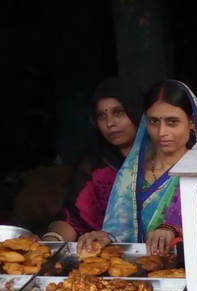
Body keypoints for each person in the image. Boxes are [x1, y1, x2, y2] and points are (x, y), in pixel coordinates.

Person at [78, 80, 197, 256]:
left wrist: (172, 228)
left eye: (172, 122)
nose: (162, 132)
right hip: (138, 274)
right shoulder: (131, 173)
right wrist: (107, 237)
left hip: (192, 269)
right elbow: (120, 230)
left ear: (192, 122)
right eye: (154, 121)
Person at [43, 77, 144, 243]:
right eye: (101, 115)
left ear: (137, 111)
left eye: (118, 112)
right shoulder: (94, 166)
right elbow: (74, 218)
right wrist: (50, 242)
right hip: (106, 259)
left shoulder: (162, 162)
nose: (110, 123)